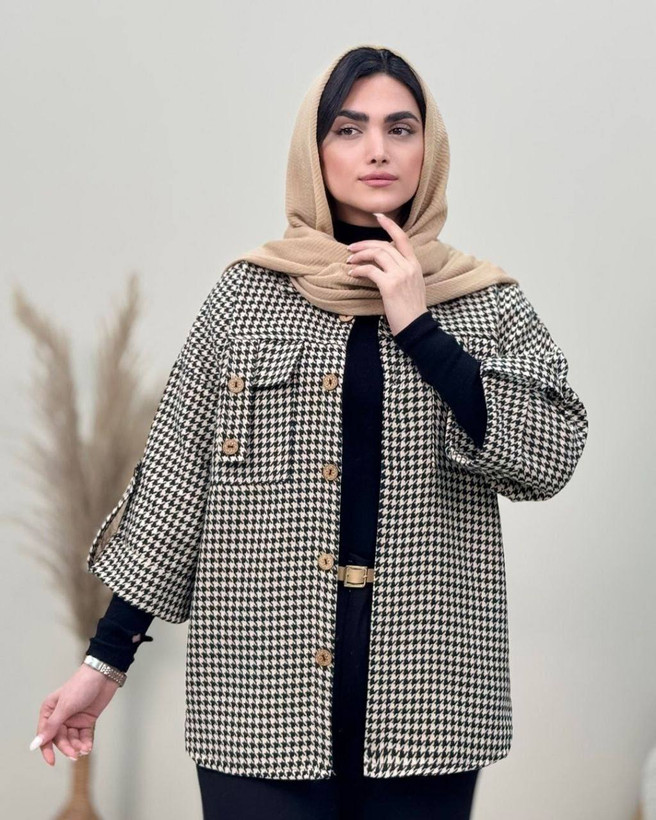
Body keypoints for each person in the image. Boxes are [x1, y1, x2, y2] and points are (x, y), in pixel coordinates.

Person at [31, 44, 589, 819]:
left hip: (429, 695)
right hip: (259, 693)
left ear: (429, 148)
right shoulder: (246, 295)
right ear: (314, 149)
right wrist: (105, 661)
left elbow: (552, 451)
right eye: (349, 129)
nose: (377, 150)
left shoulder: (484, 300)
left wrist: (421, 328)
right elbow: (174, 482)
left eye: (400, 128)